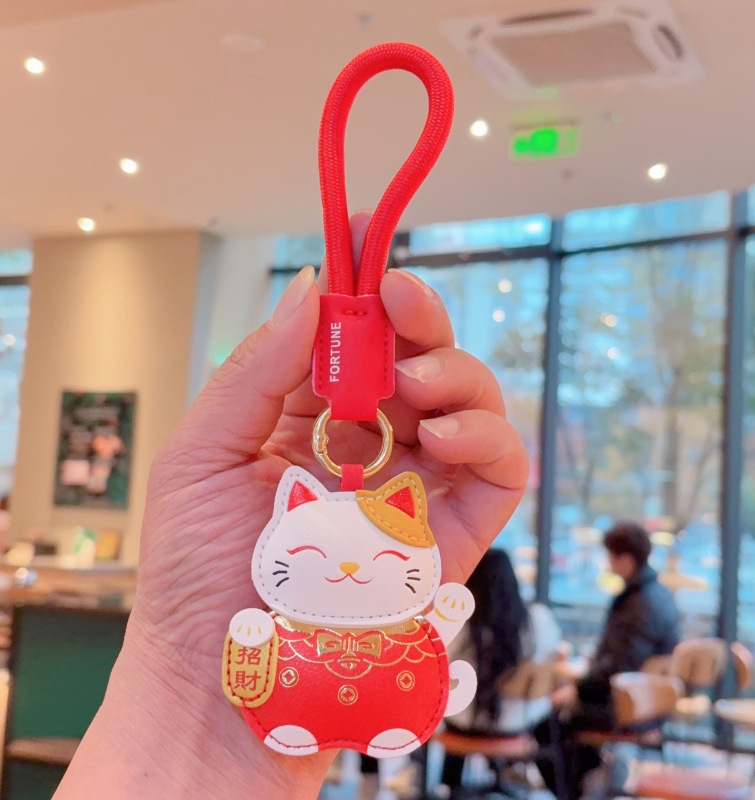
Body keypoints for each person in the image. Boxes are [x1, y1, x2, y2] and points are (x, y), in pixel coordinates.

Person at [51, 211, 528, 800]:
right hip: (284, 704)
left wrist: (443, 616)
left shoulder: (386, 584)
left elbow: (424, 627)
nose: (349, 568)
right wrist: (188, 694)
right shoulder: (282, 555)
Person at [534, 521, 681, 799]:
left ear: (625, 559)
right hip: (651, 708)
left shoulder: (635, 604)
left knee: (546, 721)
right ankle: (592, 776)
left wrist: (577, 689)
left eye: (611, 556)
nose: (608, 563)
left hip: (626, 706)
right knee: (563, 714)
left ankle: (573, 791)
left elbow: (617, 670)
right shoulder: (660, 595)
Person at [441, 549, 562, 791]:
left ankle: (449, 787)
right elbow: (554, 655)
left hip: (464, 723)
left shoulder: (458, 622)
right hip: (518, 722)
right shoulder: (537, 619)